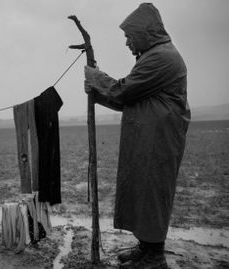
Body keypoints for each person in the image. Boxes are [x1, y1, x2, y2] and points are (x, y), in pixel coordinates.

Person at [84, 3, 190, 268]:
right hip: (148, 138)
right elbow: (127, 100)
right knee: (143, 191)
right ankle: (146, 247)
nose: (128, 43)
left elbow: (124, 91)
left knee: (152, 192)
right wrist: (98, 94)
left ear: (144, 33)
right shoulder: (153, 55)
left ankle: (154, 256)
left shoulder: (162, 57)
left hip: (159, 139)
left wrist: (97, 78)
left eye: (130, 36)